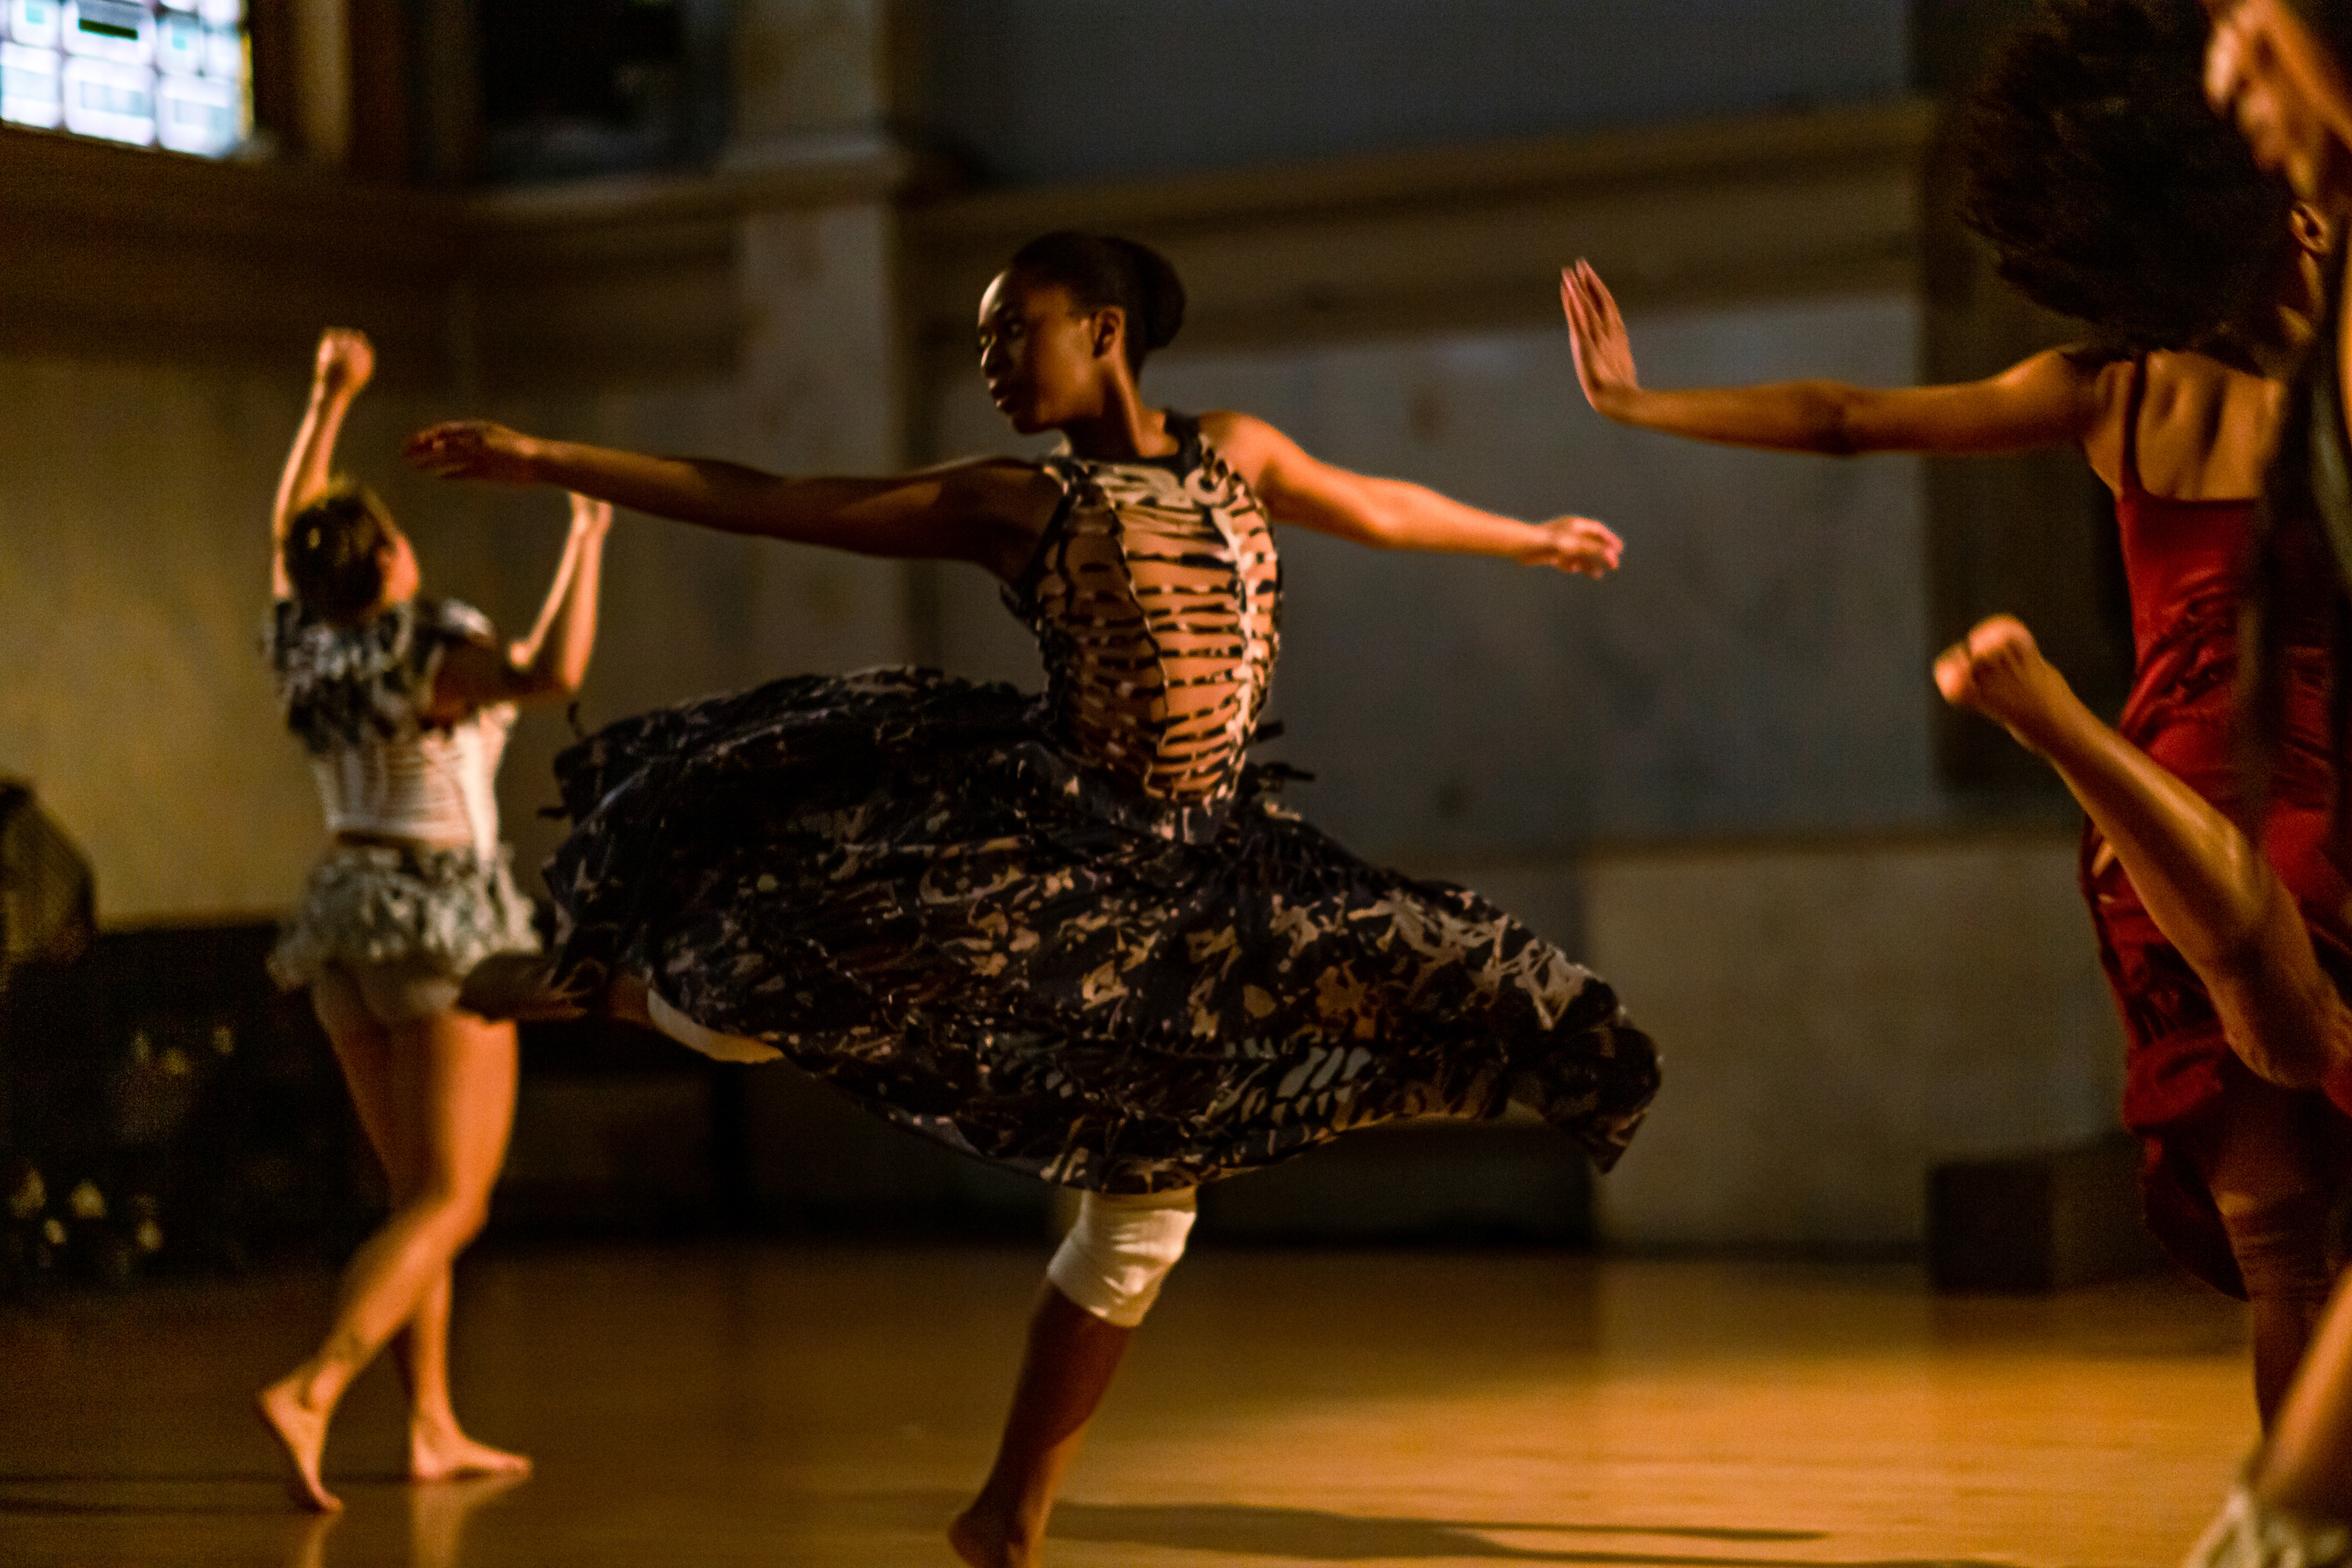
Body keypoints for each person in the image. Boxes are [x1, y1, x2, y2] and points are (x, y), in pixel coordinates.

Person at [405, 230, 1662, 1568]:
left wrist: (1527, 537)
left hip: (1207, 869)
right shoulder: (1019, 504)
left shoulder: (1240, 450)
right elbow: (774, 494)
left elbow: (1383, 505)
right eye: (987, 337)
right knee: (764, 995)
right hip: (1048, 846)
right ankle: (602, 983)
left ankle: (1005, 1513)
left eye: (1020, 330)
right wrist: (549, 459)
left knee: (1151, 1215)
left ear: (1106, 329)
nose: (994, 360)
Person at [1561, 0, 2350, 1425]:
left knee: (2288, 1253)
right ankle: (2058, 726)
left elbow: (1846, 416)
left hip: (2152, 834)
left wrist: (1639, 405)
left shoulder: (2111, 394)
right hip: (2310, 811)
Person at [253, 328, 612, 1512]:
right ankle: (316, 1385)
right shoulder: (429, 649)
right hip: (437, 925)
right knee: (457, 1197)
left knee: (412, 1191)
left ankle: (431, 1424)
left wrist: (325, 402)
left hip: (344, 923)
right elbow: (553, 669)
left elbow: (288, 532)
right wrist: (587, 530)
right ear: (395, 556)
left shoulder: (309, 643)